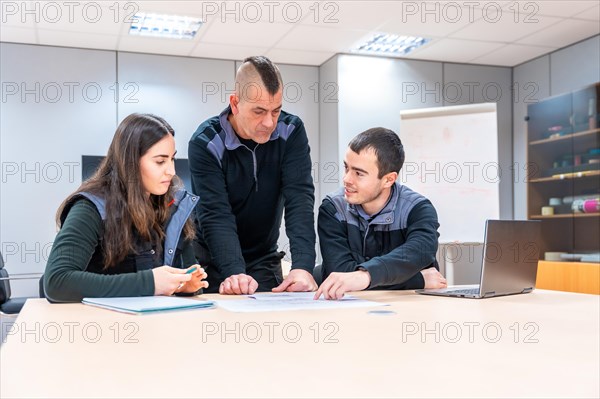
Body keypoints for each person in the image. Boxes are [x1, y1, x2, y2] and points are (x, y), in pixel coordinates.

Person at [44, 113, 208, 303]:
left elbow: (182, 275)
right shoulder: (90, 208)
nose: (171, 171)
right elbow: (57, 282)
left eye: (172, 159)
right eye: (160, 161)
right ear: (130, 162)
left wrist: (183, 286)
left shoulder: (176, 207)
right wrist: (150, 283)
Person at [189, 56, 317, 295]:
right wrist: (234, 272)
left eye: (276, 111)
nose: (269, 122)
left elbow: (299, 198)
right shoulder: (206, 142)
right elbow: (215, 214)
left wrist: (303, 266)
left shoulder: (291, 131)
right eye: (259, 111)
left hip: (263, 258)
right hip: (213, 261)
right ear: (235, 104)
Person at [315, 127, 447, 300]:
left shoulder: (418, 209)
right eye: (346, 168)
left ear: (388, 179)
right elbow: (342, 275)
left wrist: (363, 276)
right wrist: (417, 279)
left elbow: (419, 254)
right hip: (348, 312)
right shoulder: (333, 209)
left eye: (359, 173)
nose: (346, 179)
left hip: (409, 310)